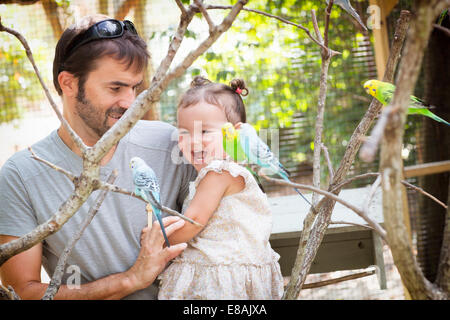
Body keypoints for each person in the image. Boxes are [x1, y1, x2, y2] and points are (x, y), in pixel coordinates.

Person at [0, 14, 196, 299]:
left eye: (135, 87)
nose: (130, 102)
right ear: (68, 84)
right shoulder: (21, 175)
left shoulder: (171, 144)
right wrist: (129, 280)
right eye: (115, 88)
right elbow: (22, 290)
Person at [157, 76, 284, 300]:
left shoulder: (218, 173)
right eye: (184, 132)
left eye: (205, 132)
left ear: (234, 133)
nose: (193, 141)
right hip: (237, 278)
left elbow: (192, 223)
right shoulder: (234, 169)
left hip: (220, 284)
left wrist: (157, 238)